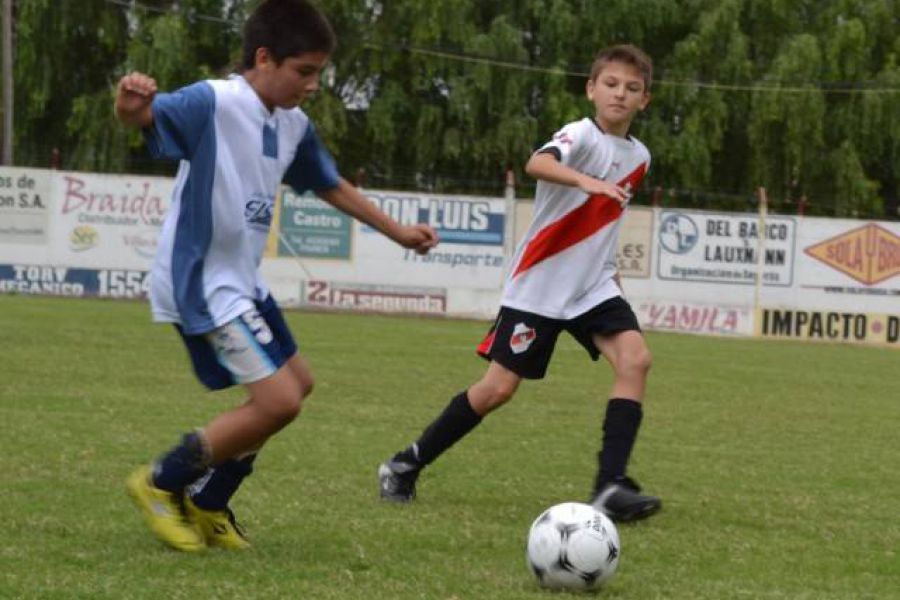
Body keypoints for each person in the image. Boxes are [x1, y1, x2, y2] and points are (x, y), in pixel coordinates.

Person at [115, 0, 438, 552]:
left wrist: (397, 231)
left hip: (241, 281)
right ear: (263, 58)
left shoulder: (292, 125)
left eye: (318, 72)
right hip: (202, 282)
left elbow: (330, 184)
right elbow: (148, 117)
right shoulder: (214, 101)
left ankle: (210, 501)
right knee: (278, 402)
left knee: (298, 386)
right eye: (303, 71)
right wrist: (131, 109)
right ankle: (160, 481)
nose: (312, 84)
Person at [378, 44, 661, 523]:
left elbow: (601, 224)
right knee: (497, 389)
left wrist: (609, 270)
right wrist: (586, 182)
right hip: (540, 286)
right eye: (610, 84)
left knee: (635, 360)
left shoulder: (640, 156)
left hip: (592, 287)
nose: (620, 94)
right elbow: (538, 162)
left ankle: (608, 486)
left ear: (644, 101)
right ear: (592, 89)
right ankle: (405, 463)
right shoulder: (581, 135)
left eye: (632, 89)